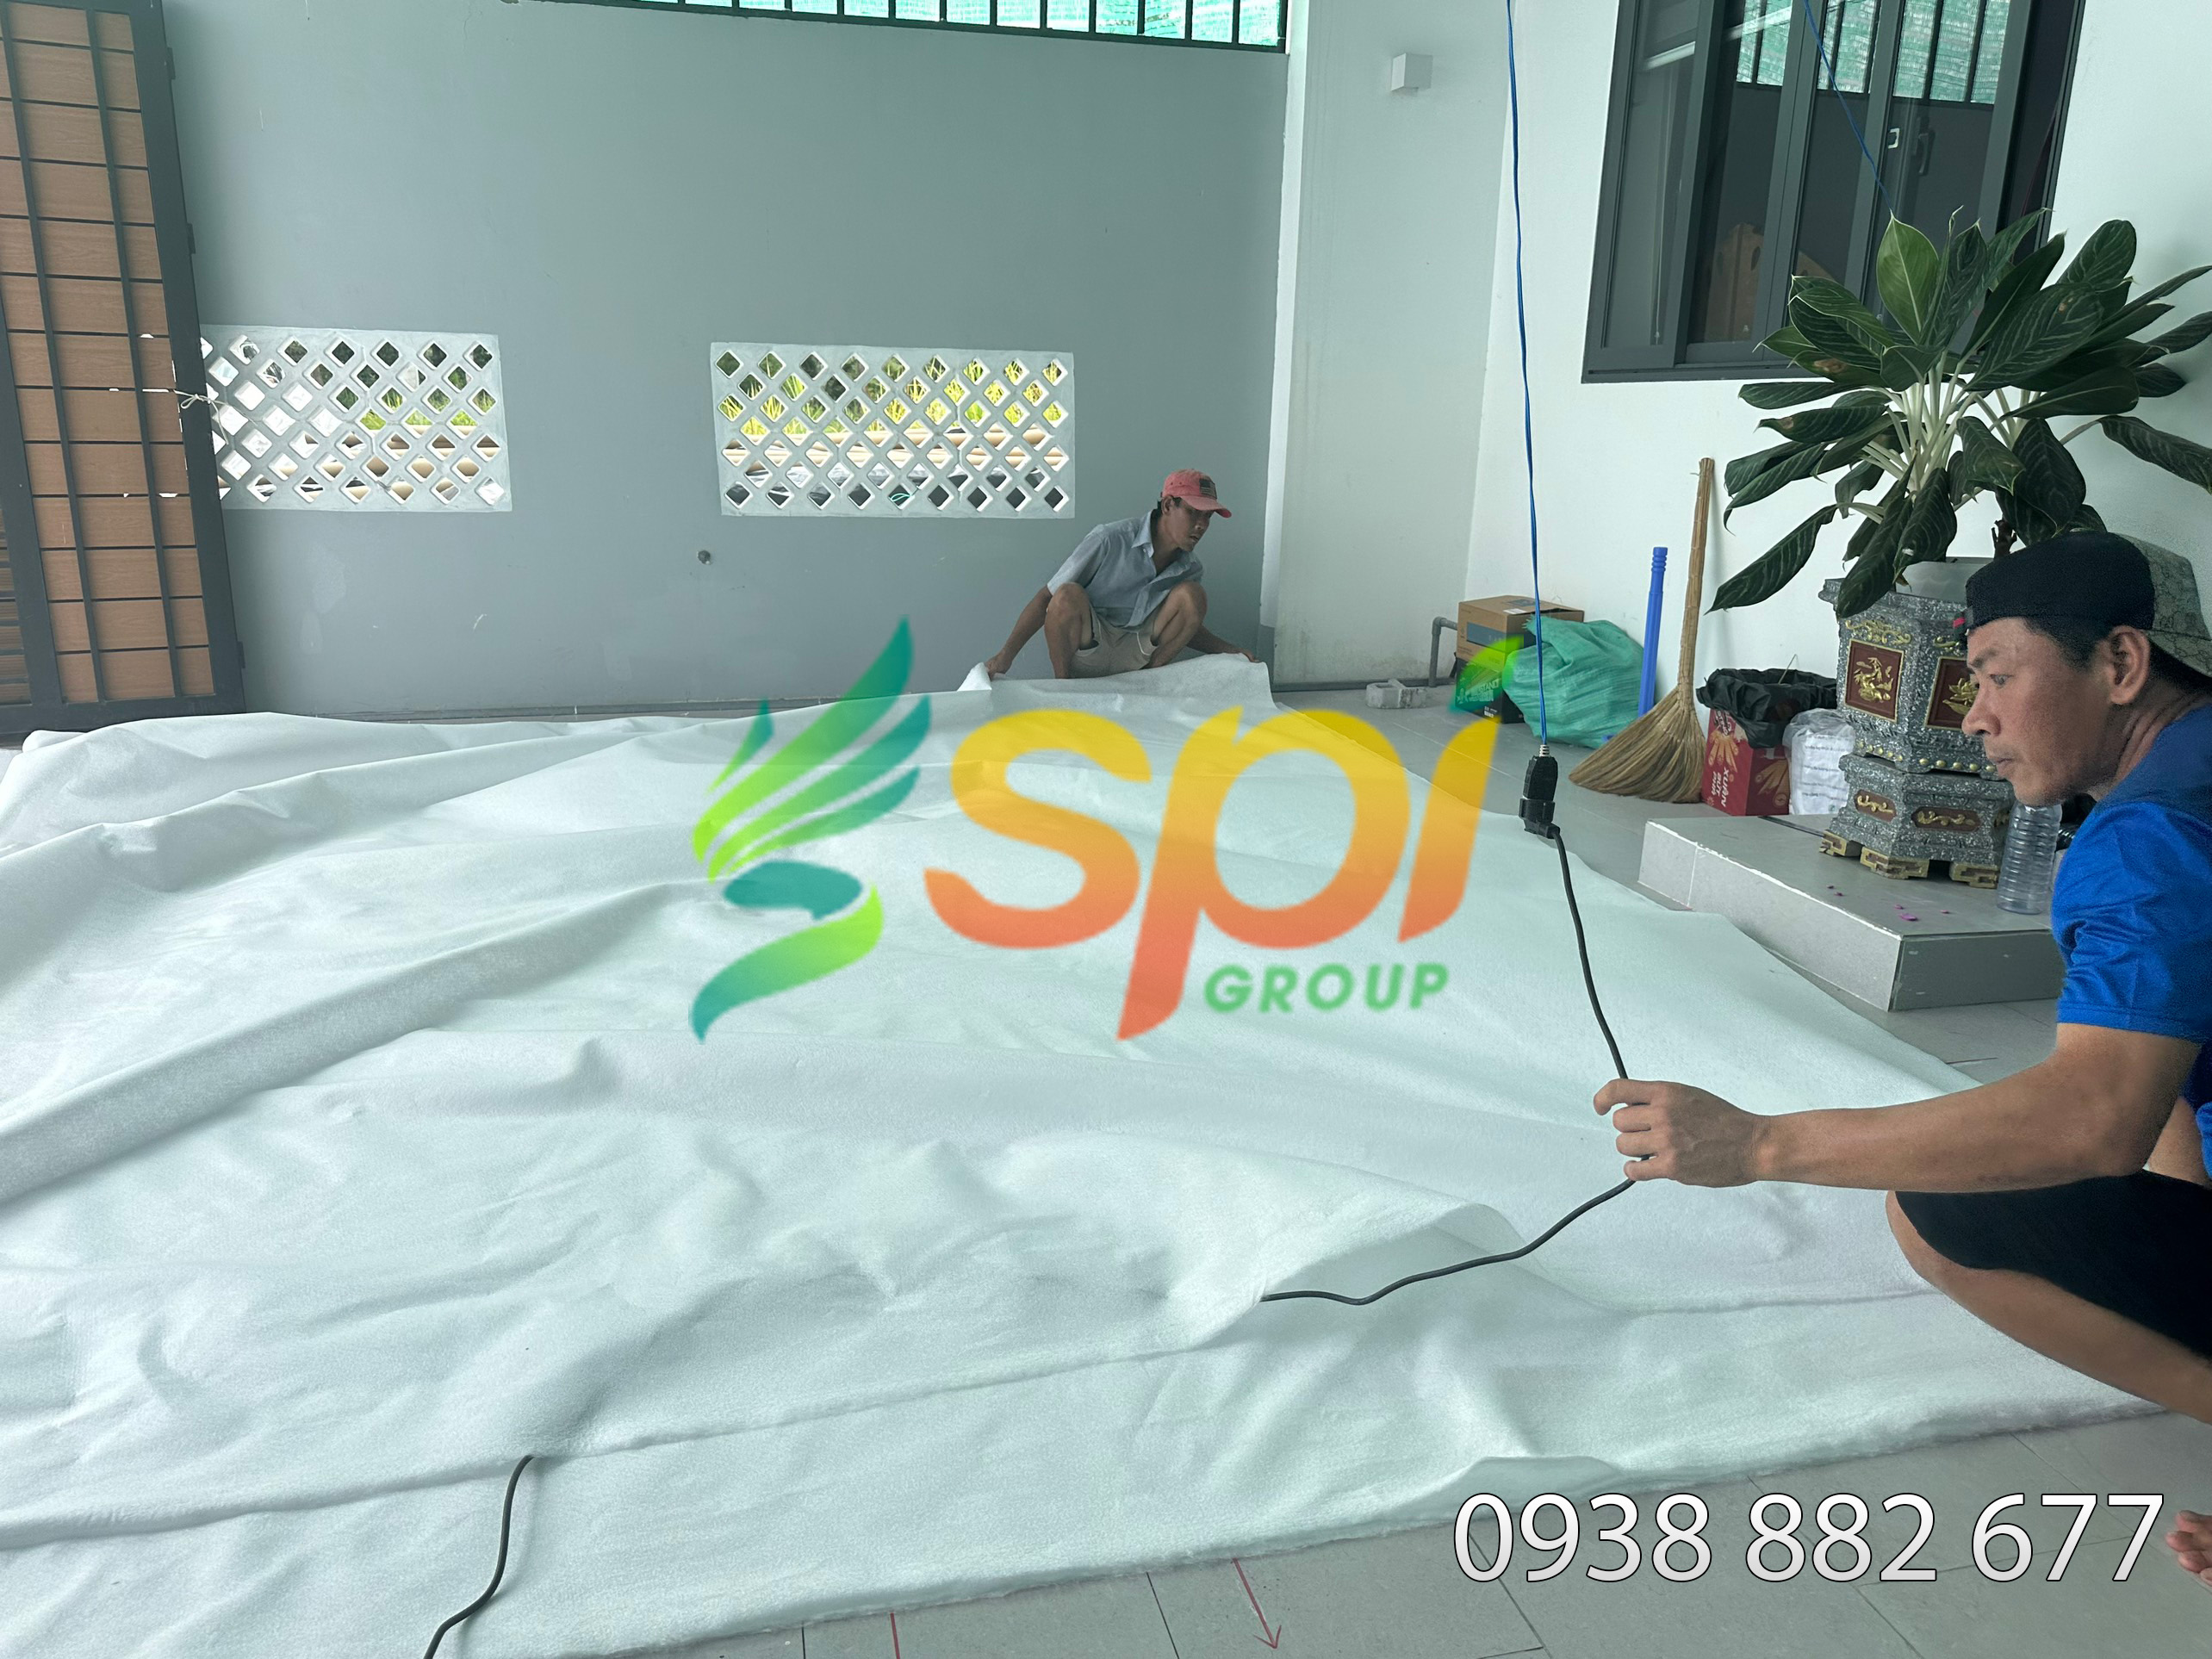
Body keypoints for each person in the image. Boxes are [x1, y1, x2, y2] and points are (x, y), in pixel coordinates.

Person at [1591, 531, 2212, 1587]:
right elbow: (2159, 1072)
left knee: (1941, 1209)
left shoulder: (2151, 838)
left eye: (1999, 677)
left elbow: (2095, 1118)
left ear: (2119, 663)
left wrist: (1759, 1143)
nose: (1974, 718)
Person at [984, 469, 1256, 680]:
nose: (1201, 525)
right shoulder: (1110, 539)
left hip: (1138, 654)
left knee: (1193, 596)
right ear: (1167, 506)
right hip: (1090, 648)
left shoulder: (1190, 568)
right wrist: (1004, 657)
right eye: (1193, 512)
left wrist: (1231, 651)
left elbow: (1187, 627)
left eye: (1208, 517)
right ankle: (1064, 688)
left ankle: (1147, 683)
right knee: (1065, 594)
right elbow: (1047, 598)